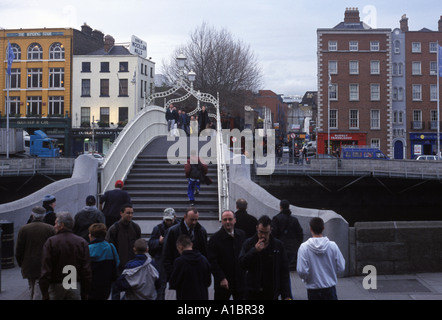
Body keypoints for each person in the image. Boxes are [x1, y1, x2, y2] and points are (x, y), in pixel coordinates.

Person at [40, 212, 92, 300]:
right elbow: (86, 270)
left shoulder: (51, 242)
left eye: (56, 223)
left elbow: (46, 268)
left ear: (62, 225)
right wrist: (85, 292)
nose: (54, 226)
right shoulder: (81, 242)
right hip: (74, 283)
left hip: (56, 285)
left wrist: (44, 292)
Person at [239, 215, 292, 300]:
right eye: (261, 232)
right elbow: (242, 264)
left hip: (271, 292)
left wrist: (286, 294)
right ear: (257, 228)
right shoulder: (249, 243)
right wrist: (254, 250)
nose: (263, 236)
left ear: (271, 230)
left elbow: (284, 271)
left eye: (266, 232)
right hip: (253, 291)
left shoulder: (278, 245)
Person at [296, 217, 346, 300]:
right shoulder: (332, 246)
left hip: (313, 290)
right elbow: (341, 267)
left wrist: (306, 279)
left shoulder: (304, 247)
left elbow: (301, 270)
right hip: (330, 288)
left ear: (310, 228)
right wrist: (331, 274)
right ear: (323, 228)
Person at [15, 206, 56, 300]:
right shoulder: (50, 229)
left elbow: (19, 250)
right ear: (43, 216)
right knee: (38, 288)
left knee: (32, 286)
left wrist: (21, 263)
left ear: (32, 216)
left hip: (28, 263)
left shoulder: (24, 229)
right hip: (43, 263)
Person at [208, 210, 246, 300]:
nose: (228, 222)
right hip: (223, 282)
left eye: (230, 219)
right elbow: (212, 261)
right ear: (222, 221)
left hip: (239, 282)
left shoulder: (242, 235)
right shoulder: (214, 239)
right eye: (225, 220)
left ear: (235, 220)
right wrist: (221, 278)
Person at [162, 207, 208, 281]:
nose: (194, 222)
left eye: (196, 220)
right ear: (185, 217)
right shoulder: (173, 232)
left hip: (197, 274)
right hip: (180, 274)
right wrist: (173, 275)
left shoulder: (201, 231)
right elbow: (166, 254)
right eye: (192, 219)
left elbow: (205, 252)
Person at [148, 208, 179, 300]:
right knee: (161, 287)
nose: (168, 222)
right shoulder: (158, 228)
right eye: (166, 220)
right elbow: (151, 244)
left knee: (180, 287)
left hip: (175, 260)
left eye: (170, 220)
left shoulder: (179, 228)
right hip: (162, 261)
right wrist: (159, 242)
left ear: (175, 217)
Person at [169, 234, 211, 300]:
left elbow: (174, 283)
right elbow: (208, 282)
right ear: (191, 244)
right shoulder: (203, 260)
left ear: (180, 247)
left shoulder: (179, 262)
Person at [87, 223, 119, 300]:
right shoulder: (110, 247)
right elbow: (117, 263)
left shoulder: (87, 249)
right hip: (106, 285)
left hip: (91, 285)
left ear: (91, 235)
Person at [105, 203, 141, 273]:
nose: (130, 215)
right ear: (121, 213)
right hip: (119, 266)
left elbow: (139, 245)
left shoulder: (135, 227)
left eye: (132, 213)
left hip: (133, 266)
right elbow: (109, 247)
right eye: (128, 213)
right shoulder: (114, 229)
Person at [271, 199, 304, 270]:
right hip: (292, 248)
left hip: (280, 248)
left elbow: (273, 234)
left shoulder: (276, 219)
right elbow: (300, 233)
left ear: (280, 207)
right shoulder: (294, 220)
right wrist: (297, 244)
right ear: (289, 207)